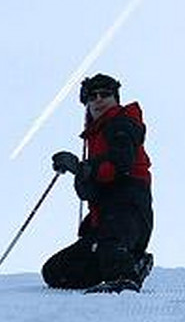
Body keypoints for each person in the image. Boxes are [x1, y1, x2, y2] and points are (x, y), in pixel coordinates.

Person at [42, 73, 154, 291]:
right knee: (55, 271)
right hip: (104, 219)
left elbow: (121, 164)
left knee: (109, 244)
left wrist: (84, 169)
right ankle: (132, 263)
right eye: (92, 96)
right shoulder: (94, 138)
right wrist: (78, 170)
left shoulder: (122, 122)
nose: (99, 100)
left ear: (116, 98)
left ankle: (125, 277)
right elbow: (89, 192)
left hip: (128, 211)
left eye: (105, 94)